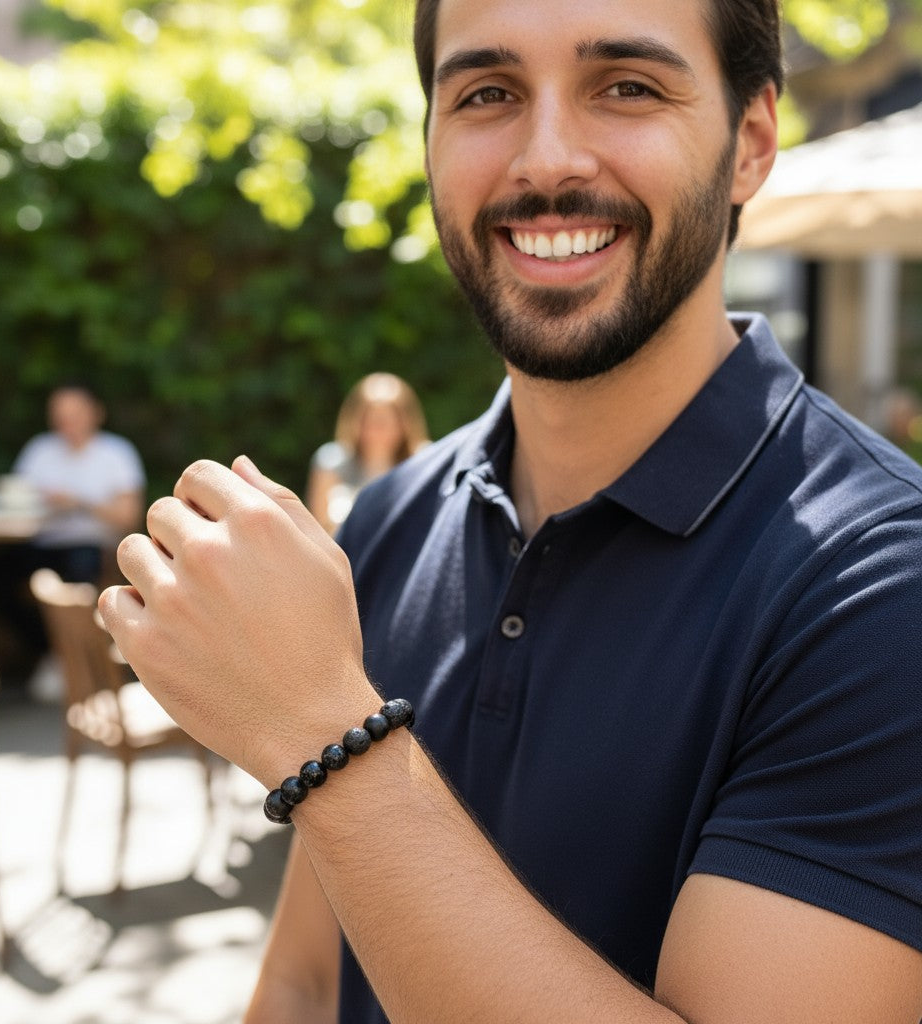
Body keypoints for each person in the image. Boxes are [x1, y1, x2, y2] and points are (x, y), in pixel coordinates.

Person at [99, 0, 922, 1021]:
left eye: (627, 87)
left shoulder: (885, 587)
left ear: (750, 142)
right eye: (487, 93)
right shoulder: (387, 522)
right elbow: (309, 985)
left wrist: (321, 731)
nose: (545, 160)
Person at [4, 382, 145, 695]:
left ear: (96, 413)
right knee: (0, 575)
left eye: (75, 413)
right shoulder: (40, 451)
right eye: (60, 415)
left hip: (92, 544)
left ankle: (77, 659)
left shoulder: (116, 453)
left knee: (78, 571)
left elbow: (128, 515)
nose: (67, 422)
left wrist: (79, 502)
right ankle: (56, 654)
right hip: (42, 541)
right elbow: (18, 498)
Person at [306, 373, 430, 534]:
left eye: (384, 422)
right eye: (369, 421)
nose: (376, 430)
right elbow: (317, 529)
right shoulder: (331, 463)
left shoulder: (424, 462)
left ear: (405, 424)